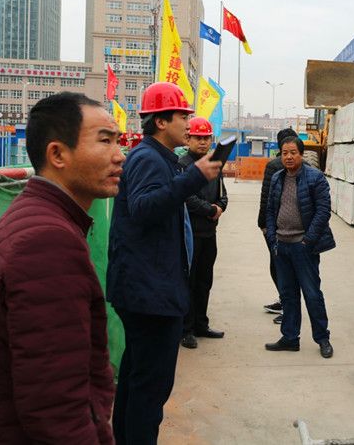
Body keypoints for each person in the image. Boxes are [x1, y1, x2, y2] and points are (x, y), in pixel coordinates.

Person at [0, 92, 124, 443]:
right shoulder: (48, 242)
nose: (119, 155)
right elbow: (57, 413)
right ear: (58, 154)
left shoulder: (38, 218)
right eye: (105, 141)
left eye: (118, 141)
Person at [106, 82, 222, 445]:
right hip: (149, 294)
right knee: (151, 386)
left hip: (150, 288)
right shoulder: (147, 159)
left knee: (137, 377)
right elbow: (144, 208)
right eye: (182, 116)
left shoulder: (160, 158)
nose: (188, 123)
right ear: (160, 121)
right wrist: (193, 178)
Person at [264, 136, 336, 357]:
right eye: (284, 153)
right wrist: (272, 239)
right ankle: (290, 337)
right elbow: (270, 210)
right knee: (287, 295)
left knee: (312, 295)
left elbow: (323, 211)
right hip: (281, 246)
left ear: (301, 154)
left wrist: (308, 241)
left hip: (303, 247)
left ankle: (322, 338)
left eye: (293, 152)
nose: (288, 157)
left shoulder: (315, 177)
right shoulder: (277, 177)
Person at [179, 117, 228, 349]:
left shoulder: (214, 164)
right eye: (198, 137)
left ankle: (201, 324)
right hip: (190, 234)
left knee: (204, 281)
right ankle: (186, 329)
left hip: (209, 233)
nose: (203, 142)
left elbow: (223, 194)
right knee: (189, 281)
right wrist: (210, 210)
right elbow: (185, 196)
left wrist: (220, 207)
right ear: (188, 138)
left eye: (206, 138)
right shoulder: (182, 164)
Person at [258, 127, 299, 324]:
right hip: (295, 228)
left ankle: (288, 306)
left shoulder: (274, 165)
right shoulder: (306, 167)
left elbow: (265, 197)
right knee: (289, 268)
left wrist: (262, 223)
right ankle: (286, 302)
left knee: (279, 267)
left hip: (277, 227)